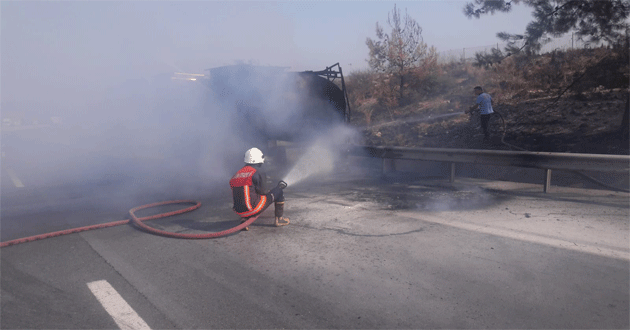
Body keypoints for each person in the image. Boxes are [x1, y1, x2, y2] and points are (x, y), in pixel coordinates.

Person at [229, 147, 290, 231]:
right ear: (258, 160)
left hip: (239, 211)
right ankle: (279, 220)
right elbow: (263, 192)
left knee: (248, 199)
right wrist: (272, 191)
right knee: (278, 191)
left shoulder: (236, 174)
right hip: (253, 209)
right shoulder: (256, 172)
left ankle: (244, 220)